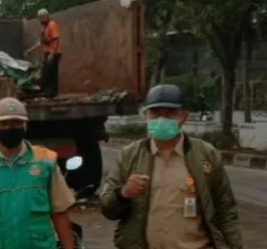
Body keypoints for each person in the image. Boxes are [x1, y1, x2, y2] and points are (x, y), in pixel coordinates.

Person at [100, 84, 243, 249]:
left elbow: (226, 210)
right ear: (145, 116)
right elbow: (108, 209)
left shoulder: (206, 154)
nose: (162, 120)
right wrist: (123, 194)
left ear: (184, 116)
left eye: (170, 114)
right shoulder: (129, 156)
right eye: (155, 113)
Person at [0, 97, 75, 249]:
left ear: (25, 125)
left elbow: (60, 212)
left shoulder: (46, 161)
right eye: (3, 123)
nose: (10, 128)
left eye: (16, 123)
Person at [24, 9, 61, 98]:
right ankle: (48, 92)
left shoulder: (52, 25)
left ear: (46, 16)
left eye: (42, 17)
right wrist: (30, 50)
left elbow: (56, 39)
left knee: (50, 72)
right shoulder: (43, 28)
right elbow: (40, 42)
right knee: (46, 72)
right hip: (47, 52)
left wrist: (52, 53)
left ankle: (52, 93)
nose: (41, 19)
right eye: (39, 18)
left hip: (54, 52)